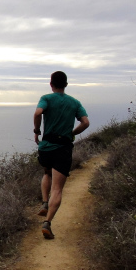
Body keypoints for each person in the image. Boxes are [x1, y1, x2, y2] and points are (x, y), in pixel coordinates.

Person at [33, 71, 89, 239]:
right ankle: (47, 223)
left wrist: (37, 131)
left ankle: (44, 202)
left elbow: (37, 113)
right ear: (66, 84)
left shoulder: (47, 98)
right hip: (63, 148)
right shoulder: (75, 102)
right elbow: (85, 122)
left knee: (46, 172)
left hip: (46, 146)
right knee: (57, 189)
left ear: (51, 84)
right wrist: (73, 132)